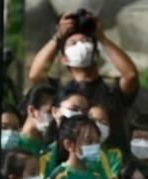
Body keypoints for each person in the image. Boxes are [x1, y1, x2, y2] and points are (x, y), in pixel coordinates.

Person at [29, 8, 140, 156]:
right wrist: (58, 36)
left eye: (85, 41)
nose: (80, 45)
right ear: (64, 59)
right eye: (73, 43)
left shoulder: (111, 89)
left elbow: (131, 75)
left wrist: (102, 37)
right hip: (65, 162)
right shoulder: (60, 90)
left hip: (110, 163)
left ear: (95, 52)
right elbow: (35, 75)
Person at [39, 87, 90, 179]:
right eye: (74, 109)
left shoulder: (92, 154)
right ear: (55, 111)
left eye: (85, 112)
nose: (79, 115)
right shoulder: (45, 155)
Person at [16, 84, 57, 157]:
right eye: (49, 112)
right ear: (31, 111)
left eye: (56, 111)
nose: (54, 116)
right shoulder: (15, 142)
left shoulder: (51, 145)